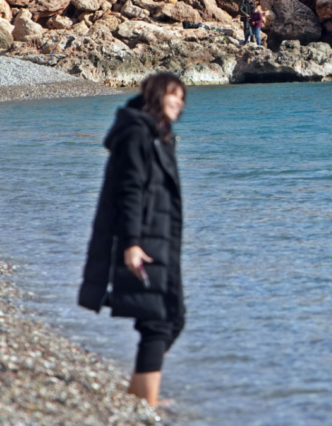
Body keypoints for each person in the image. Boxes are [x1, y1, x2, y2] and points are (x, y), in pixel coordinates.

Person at [78, 72, 187, 408]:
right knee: (158, 320)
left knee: (170, 317)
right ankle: (147, 402)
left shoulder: (157, 134)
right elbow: (128, 192)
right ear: (156, 94)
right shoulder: (138, 134)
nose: (178, 103)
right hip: (145, 238)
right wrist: (132, 243)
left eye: (182, 98)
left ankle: (138, 394)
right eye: (173, 94)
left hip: (162, 237)